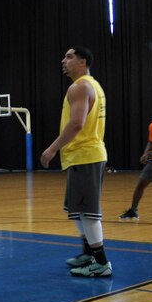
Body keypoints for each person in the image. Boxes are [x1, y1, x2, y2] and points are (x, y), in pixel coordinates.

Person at [40, 46, 112, 278]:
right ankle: (89, 253)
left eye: (69, 57)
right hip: (84, 156)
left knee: (88, 213)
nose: (63, 60)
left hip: (85, 155)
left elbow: (76, 124)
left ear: (82, 63)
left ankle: (101, 263)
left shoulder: (79, 87)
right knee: (79, 211)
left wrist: (52, 149)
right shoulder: (94, 85)